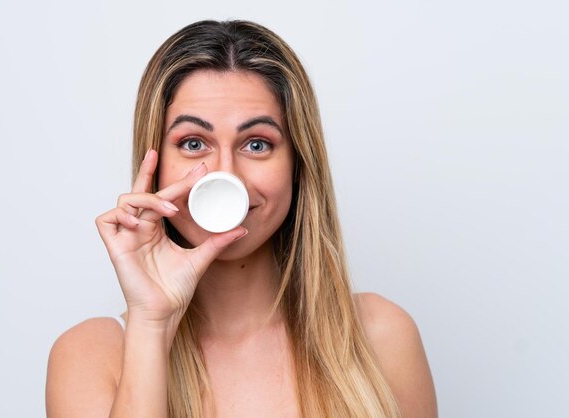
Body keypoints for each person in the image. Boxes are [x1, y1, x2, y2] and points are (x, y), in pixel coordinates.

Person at [46, 19, 437, 418]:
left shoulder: (381, 337)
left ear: (298, 166)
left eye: (257, 144)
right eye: (193, 143)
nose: (225, 175)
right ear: (157, 165)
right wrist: (151, 324)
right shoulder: (90, 356)